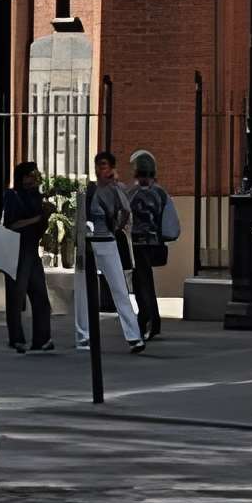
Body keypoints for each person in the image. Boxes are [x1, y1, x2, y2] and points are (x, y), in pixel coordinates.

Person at [73, 150, 145, 354]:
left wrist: (117, 227)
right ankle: (83, 336)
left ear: (111, 168)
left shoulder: (115, 189)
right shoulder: (88, 191)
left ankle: (134, 336)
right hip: (88, 244)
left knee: (119, 289)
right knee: (83, 290)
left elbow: (126, 210)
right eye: (98, 165)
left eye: (103, 165)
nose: (99, 169)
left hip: (107, 241)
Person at [0, 161, 55, 354]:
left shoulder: (36, 197)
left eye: (35, 176)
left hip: (31, 249)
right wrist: (37, 219)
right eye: (29, 176)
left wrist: (46, 216)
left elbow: (40, 227)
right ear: (21, 178)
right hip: (16, 249)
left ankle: (43, 338)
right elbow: (11, 225)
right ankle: (16, 338)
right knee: (16, 296)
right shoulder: (12, 196)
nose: (33, 180)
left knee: (40, 295)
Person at [125, 150, 179, 342]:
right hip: (154, 243)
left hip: (136, 244)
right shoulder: (161, 194)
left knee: (141, 283)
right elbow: (171, 227)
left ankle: (147, 319)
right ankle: (151, 320)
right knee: (146, 282)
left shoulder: (131, 194)